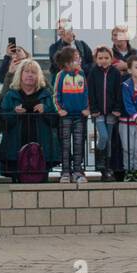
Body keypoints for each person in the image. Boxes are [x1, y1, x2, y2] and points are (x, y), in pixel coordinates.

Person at [0, 59, 60, 180]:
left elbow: (56, 121)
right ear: (20, 74)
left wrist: (46, 110)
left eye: (33, 72)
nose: (30, 75)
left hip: (42, 151)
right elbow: (3, 121)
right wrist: (14, 113)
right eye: (26, 71)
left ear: (38, 76)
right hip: (15, 149)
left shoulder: (47, 94)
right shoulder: (10, 95)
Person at [52, 45, 89, 183]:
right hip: (65, 116)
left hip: (80, 115)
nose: (79, 61)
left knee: (79, 143)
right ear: (67, 62)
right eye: (75, 59)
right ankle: (65, 172)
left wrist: (87, 108)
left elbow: (87, 93)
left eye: (79, 58)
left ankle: (78, 172)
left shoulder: (82, 74)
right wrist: (59, 109)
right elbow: (55, 95)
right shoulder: (60, 75)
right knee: (66, 145)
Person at [86, 45, 123, 182]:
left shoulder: (115, 73)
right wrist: (93, 108)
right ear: (96, 59)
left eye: (106, 58)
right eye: (100, 58)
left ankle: (107, 168)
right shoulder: (93, 72)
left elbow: (119, 92)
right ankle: (99, 160)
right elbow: (91, 92)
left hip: (112, 112)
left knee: (109, 140)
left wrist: (117, 107)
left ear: (111, 59)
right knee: (104, 136)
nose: (103, 60)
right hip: (99, 113)